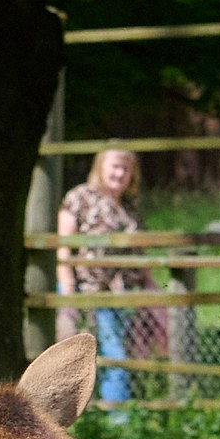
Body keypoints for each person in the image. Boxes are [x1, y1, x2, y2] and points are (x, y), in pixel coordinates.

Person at [57, 146, 158, 404]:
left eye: (126, 168)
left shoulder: (130, 207)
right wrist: (68, 291)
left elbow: (141, 253)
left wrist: (152, 289)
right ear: (100, 167)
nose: (120, 173)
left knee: (120, 354)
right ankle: (117, 419)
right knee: (113, 357)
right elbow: (63, 247)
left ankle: (105, 411)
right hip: (90, 294)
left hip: (124, 297)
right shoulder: (80, 197)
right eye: (115, 166)